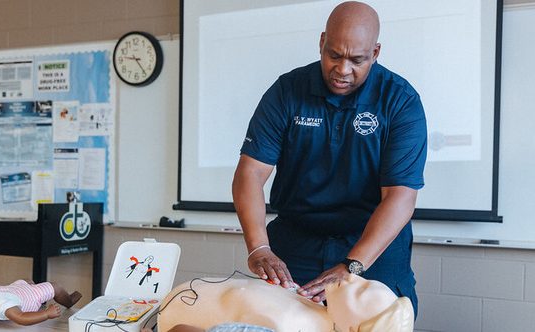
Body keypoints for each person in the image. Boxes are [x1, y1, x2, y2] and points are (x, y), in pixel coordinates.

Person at [232, 1, 427, 317]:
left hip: (371, 242)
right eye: (334, 55)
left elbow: (401, 197)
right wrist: (259, 247)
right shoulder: (286, 92)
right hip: (297, 238)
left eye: (357, 60)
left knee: (384, 320)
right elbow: (250, 172)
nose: (343, 69)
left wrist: (353, 264)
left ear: (375, 53)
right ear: (322, 42)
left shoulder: (400, 101)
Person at [155, 274, 414, 332]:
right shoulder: (320, 313)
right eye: (364, 279)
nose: (351, 276)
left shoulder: (283, 326)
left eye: (360, 292)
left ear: (351, 329)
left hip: (170, 317)